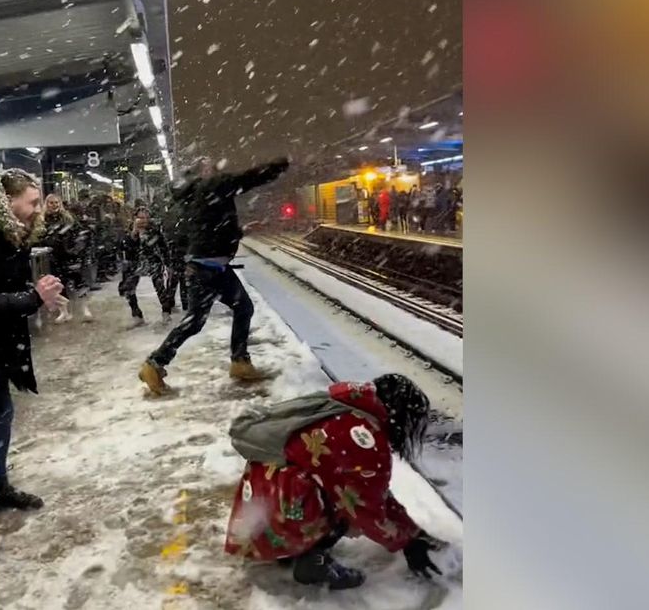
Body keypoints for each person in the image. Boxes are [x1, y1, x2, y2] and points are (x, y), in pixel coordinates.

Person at [223, 374, 446, 590]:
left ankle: (290, 548)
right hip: (284, 501)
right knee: (344, 505)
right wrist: (405, 543)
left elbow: (374, 493)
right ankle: (311, 561)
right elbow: (367, 510)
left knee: (341, 492)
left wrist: (412, 532)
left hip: (264, 494)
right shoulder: (366, 441)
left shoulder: (345, 407)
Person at [137, 156, 291, 395]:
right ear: (203, 173)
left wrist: (240, 231)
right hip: (208, 268)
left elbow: (209, 228)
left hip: (210, 266)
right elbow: (247, 178)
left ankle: (240, 362)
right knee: (195, 322)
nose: (217, 167)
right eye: (209, 165)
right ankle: (154, 364)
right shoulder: (211, 186)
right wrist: (281, 164)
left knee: (240, 308)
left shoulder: (194, 197)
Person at [0, 170, 65, 510]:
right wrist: (31, 298)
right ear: (7, 201)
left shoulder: (13, 236)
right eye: (33, 202)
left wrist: (40, 296)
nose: (39, 208)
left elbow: (6, 289)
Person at [119, 207, 174, 325]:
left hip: (152, 260)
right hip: (134, 262)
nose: (143, 221)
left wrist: (168, 264)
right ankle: (137, 314)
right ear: (135, 218)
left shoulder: (154, 230)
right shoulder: (129, 230)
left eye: (146, 218)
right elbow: (125, 247)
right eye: (140, 218)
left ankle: (166, 312)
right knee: (129, 288)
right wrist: (134, 233)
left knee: (160, 287)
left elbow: (163, 247)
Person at [42, 194, 92, 323]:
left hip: (70, 256)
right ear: (46, 204)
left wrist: (76, 250)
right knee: (58, 284)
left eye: (56, 203)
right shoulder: (43, 220)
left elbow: (79, 235)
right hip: (54, 257)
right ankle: (64, 312)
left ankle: (85, 309)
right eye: (51, 203)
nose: (54, 205)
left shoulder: (68, 219)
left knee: (79, 281)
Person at [160, 189, 191, 312]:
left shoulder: (169, 213)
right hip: (184, 249)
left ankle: (170, 300)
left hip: (174, 249)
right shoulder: (186, 211)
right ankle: (185, 303)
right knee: (183, 278)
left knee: (173, 278)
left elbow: (166, 231)